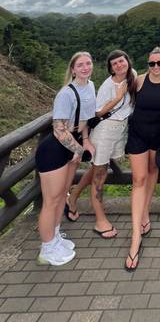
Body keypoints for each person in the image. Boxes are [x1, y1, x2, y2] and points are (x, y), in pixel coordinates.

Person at [35, 52, 96, 266]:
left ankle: (56, 237)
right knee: (51, 201)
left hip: (73, 146)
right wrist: (78, 150)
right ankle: (46, 248)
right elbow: (59, 129)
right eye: (80, 65)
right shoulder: (65, 94)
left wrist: (85, 141)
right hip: (55, 149)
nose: (85, 67)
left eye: (88, 63)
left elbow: (85, 120)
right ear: (72, 69)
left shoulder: (90, 86)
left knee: (62, 195)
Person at [66, 50, 136, 238]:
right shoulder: (108, 85)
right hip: (105, 131)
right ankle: (100, 220)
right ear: (110, 68)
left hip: (119, 130)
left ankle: (72, 197)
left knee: (97, 168)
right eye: (114, 64)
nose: (119, 65)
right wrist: (117, 98)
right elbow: (96, 113)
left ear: (127, 61)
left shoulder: (133, 76)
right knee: (100, 176)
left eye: (121, 61)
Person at [124, 47, 160, 271]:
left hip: (158, 136)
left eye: (159, 63)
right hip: (137, 135)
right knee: (138, 180)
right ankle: (135, 237)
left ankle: (145, 213)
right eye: (151, 63)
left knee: (153, 172)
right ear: (147, 64)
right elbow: (122, 99)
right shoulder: (137, 81)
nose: (155, 67)